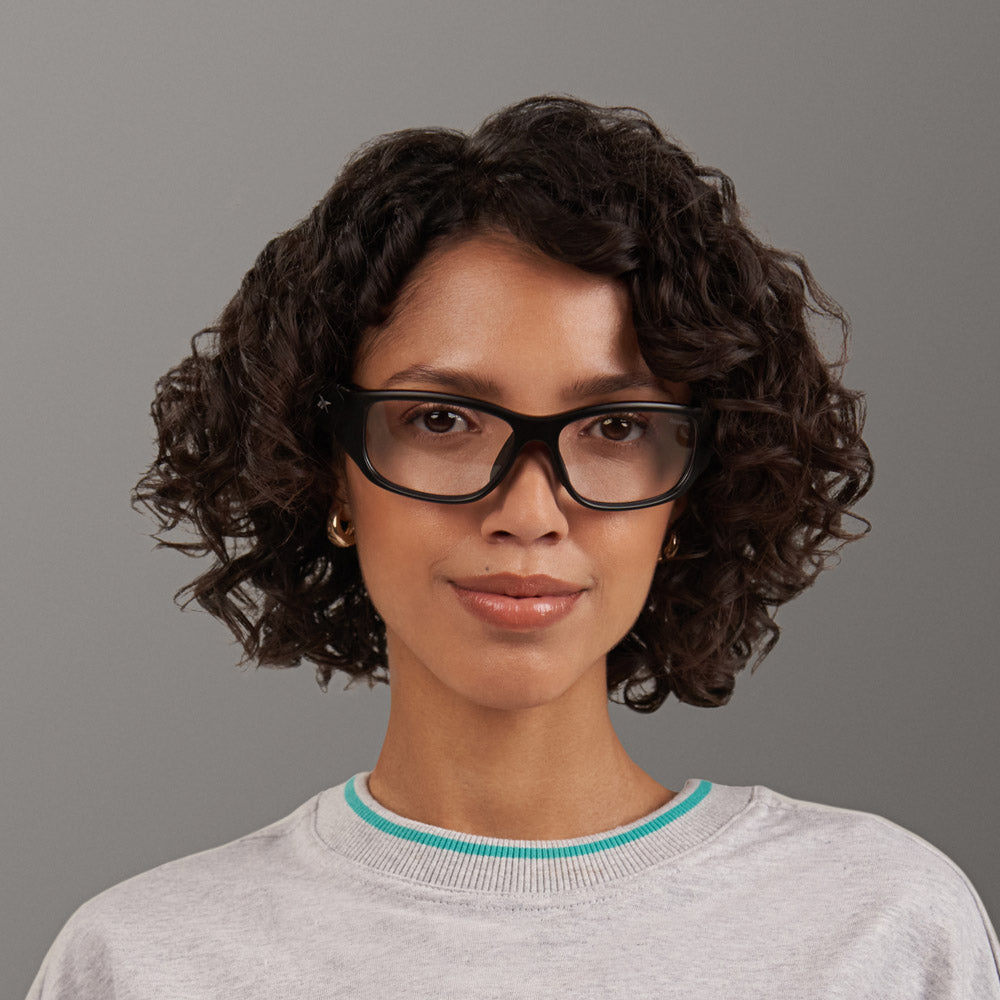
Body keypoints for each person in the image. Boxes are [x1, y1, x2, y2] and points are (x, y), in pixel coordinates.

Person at [26, 95, 999, 998]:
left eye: (615, 428)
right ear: (330, 472)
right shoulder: (144, 962)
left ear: (693, 490)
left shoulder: (881, 928)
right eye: (444, 419)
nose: (528, 510)